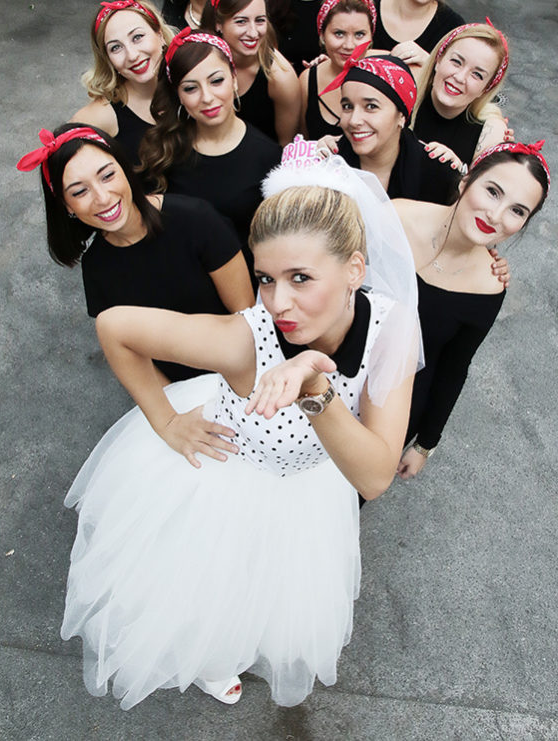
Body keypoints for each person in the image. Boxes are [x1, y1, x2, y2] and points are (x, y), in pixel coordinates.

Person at [58, 149, 421, 710]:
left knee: (276, 589)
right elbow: (115, 326)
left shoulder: (392, 326)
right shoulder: (243, 342)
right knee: (210, 587)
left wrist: (313, 386)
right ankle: (209, 657)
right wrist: (166, 420)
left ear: (355, 269)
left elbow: (373, 476)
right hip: (227, 478)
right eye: (266, 279)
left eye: (301, 278)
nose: (278, 303)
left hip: (308, 490)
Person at [16, 123, 254, 384]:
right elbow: (137, 359)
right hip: (178, 393)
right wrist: (177, 403)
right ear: (67, 206)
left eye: (107, 176)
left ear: (125, 169)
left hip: (243, 371)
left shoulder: (196, 219)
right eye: (80, 191)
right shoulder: (96, 267)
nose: (102, 197)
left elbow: (248, 318)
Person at [393, 141, 550, 479]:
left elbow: (453, 368)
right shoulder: (396, 217)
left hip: (396, 413)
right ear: (466, 180)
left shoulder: (490, 285)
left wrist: (425, 444)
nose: (496, 215)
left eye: (517, 211)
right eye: (493, 192)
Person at [139, 28, 282, 271]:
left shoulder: (269, 157)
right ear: (178, 95)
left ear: (234, 79)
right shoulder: (162, 150)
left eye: (216, 81)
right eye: (190, 88)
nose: (206, 97)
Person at [324, 49, 460, 203]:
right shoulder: (327, 163)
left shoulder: (438, 175)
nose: (354, 120)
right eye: (347, 107)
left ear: (402, 116)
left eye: (371, 106)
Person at [72, 0, 175, 169]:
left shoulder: (191, 83)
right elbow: (62, 163)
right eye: (116, 48)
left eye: (137, 37)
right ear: (108, 60)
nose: (132, 55)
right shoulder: (103, 114)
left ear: (159, 35)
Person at [201, 0, 300, 145]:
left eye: (260, 21)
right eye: (241, 22)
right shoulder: (199, 60)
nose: (253, 33)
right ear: (218, 24)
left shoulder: (280, 77)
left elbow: (287, 147)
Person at [412, 21, 510, 168]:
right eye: (456, 62)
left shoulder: (490, 131)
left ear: (486, 88)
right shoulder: (403, 90)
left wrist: (456, 173)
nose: (459, 78)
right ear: (438, 59)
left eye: (477, 74)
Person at [300, 0, 378, 140]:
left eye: (359, 34)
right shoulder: (308, 81)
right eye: (339, 34)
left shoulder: (387, 71)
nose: (349, 45)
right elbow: (302, 141)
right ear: (322, 35)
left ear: (371, 36)